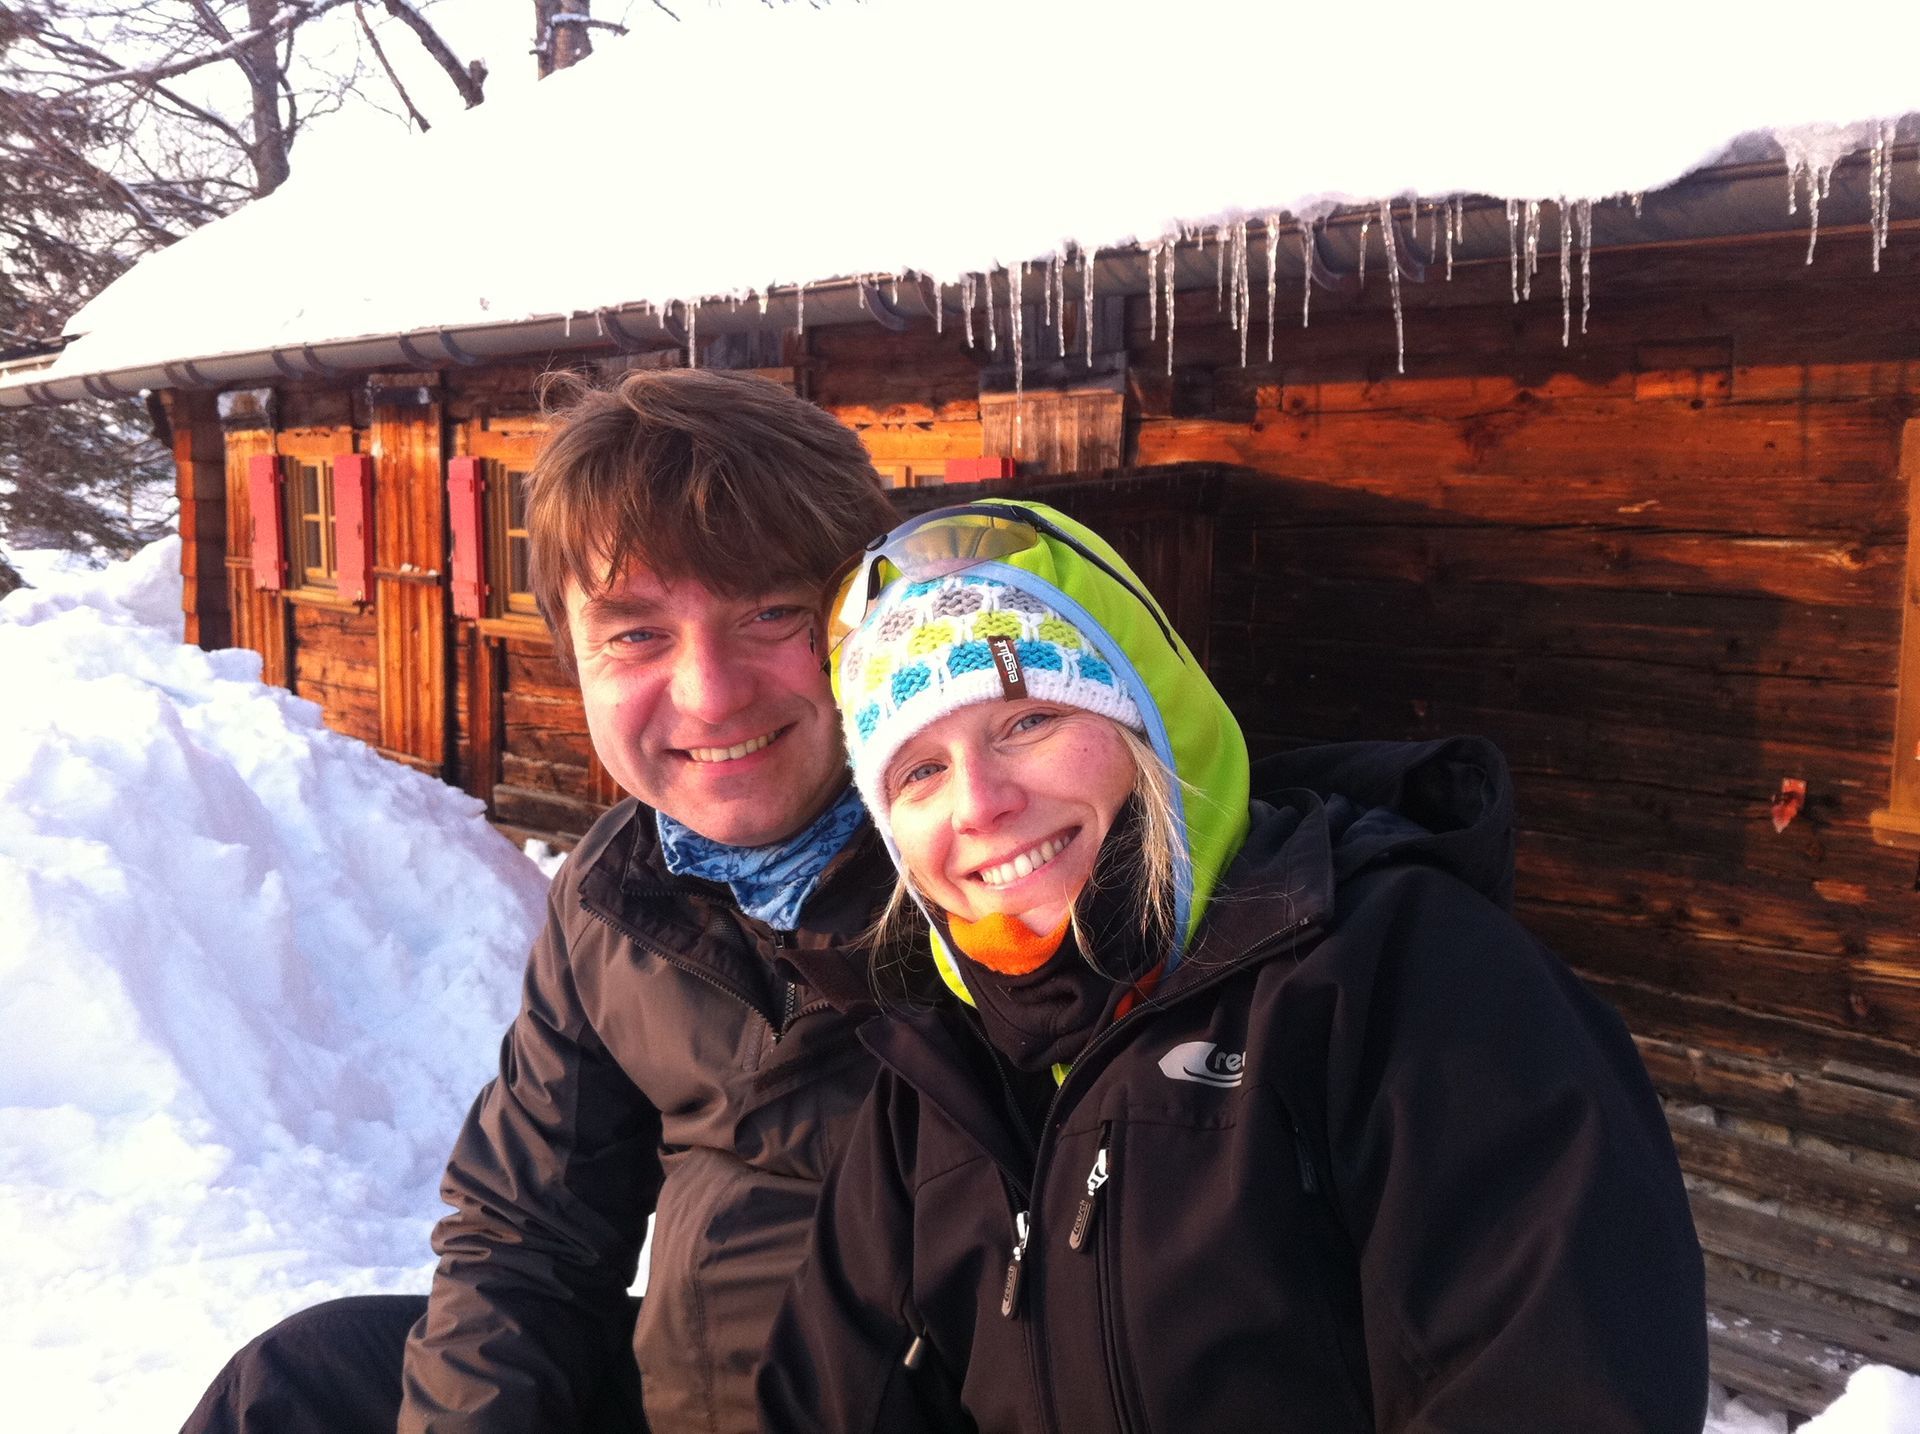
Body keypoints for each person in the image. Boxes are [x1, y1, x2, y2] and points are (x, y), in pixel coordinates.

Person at [757, 501, 1710, 1433]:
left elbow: (1556, 1384)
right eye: (920, 771)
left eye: (1028, 721)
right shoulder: (936, 1074)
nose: (979, 804)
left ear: (1147, 717)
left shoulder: (1400, 972)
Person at [183, 369, 903, 1433]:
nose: (710, 693)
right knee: (299, 1382)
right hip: (687, 1392)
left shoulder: (990, 856)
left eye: (770, 612)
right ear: (575, 657)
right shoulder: (623, 888)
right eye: (637, 633)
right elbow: (530, 1233)